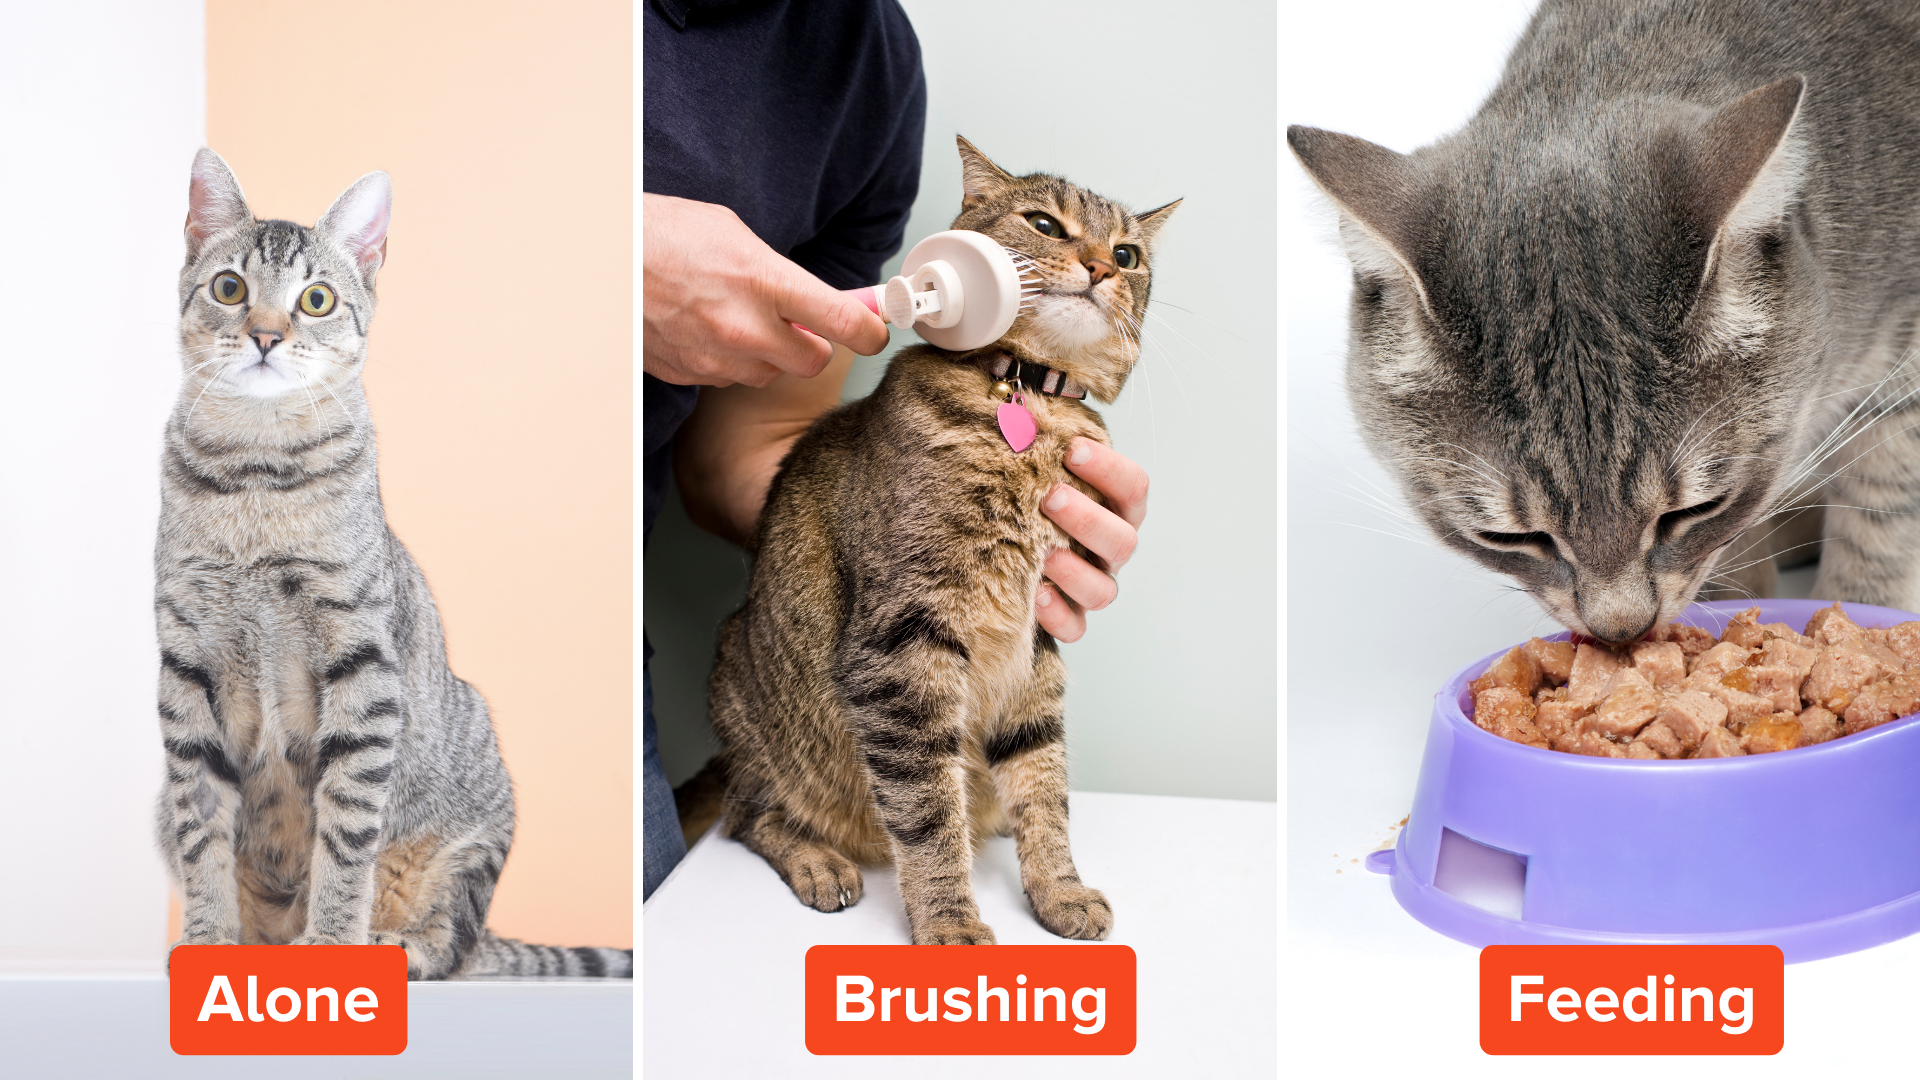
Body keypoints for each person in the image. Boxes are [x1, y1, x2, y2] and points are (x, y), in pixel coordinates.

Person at [642, 0, 1149, 899]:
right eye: (1047, 227)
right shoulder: (926, 393)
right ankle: (774, 819)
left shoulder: (869, 63)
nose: (1098, 263)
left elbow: (749, 444)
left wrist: (965, 559)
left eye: (1126, 255)